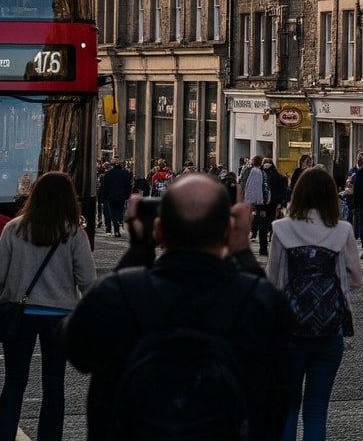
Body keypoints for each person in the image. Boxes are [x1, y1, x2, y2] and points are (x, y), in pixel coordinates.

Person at [66, 174, 294, 440]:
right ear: (227, 232)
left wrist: (139, 250)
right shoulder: (261, 303)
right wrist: (243, 252)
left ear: (159, 231)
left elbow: (75, 349)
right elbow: (283, 390)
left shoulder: (115, 295)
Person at [0, 171, 96, 441]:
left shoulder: (14, 228)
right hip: (59, 318)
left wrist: (12, 288)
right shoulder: (74, 233)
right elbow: (88, 280)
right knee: (54, 386)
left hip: (19, 314)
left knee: (13, 383)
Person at [268, 168, 362, 441]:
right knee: (316, 409)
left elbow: (274, 279)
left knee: (287, 408)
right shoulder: (342, 230)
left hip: (289, 331)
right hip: (330, 329)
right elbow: (355, 278)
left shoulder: (282, 228)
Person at [242, 156, 275, 255]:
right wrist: (264, 204)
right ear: (261, 163)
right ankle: (263, 249)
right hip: (260, 204)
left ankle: (243, 248)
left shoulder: (247, 171)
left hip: (247, 203)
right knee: (262, 228)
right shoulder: (263, 173)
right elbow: (265, 189)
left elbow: (242, 184)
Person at [98, 159, 133, 236]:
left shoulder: (108, 174)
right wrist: (127, 195)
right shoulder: (125, 174)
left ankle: (116, 228)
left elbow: (105, 187)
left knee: (113, 212)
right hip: (121, 196)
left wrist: (103, 197)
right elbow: (128, 186)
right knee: (120, 210)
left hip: (111, 196)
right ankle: (119, 222)